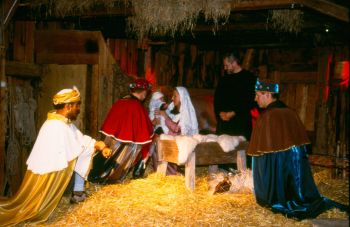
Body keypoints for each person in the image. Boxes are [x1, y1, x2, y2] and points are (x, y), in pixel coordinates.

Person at [0, 86, 111, 226]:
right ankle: (77, 192)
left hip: (52, 173)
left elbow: (79, 140)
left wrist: (99, 145)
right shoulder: (56, 126)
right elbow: (78, 147)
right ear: (69, 106)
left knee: (87, 148)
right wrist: (96, 145)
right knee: (31, 210)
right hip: (46, 177)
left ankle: (77, 192)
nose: (78, 109)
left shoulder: (63, 122)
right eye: (77, 105)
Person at [247, 79, 348, 220]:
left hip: (279, 170)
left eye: (258, 95)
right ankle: (297, 196)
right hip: (295, 167)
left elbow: (262, 159)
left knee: (276, 201)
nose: (255, 98)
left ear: (268, 94)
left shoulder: (267, 117)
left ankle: (282, 199)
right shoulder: (290, 113)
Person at [88, 78, 154, 183]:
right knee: (145, 146)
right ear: (143, 92)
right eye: (146, 92)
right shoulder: (137, 106)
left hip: (110, 141)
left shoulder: (120, 102)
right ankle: (128, 175)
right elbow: (146, 131)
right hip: (125, 146)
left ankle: (96, 174)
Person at [214, 51, 257, 169]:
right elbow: (217, 99)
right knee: (223, 152)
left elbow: (250, 100)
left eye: (227, 65)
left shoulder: (249, 78)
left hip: (240, 123)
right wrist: (220, 113)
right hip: (225, 123)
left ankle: (242, 176)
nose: (225, 67)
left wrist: (234, 113)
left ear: (234, 62)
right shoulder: (224, 80)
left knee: (240, 151)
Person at [156, 86, 199, 175]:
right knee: (155, 141)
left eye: (175, 96)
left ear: (182, 97)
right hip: (173, 141)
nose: (172, 98)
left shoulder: (186, 114)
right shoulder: (174, 111)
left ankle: (172, 172)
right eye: (172, 96)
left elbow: (177, 130)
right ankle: (166, 171)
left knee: (158, 144)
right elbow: (167, 124)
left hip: (181, 144)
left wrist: (165, 116)